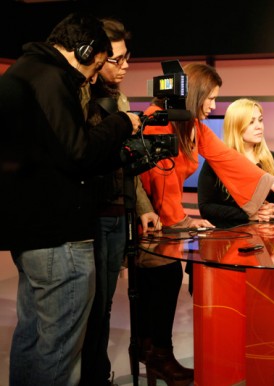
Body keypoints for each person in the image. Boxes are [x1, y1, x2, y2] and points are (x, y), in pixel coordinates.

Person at [0, 12, 141, 386]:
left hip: (32, 234)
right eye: (96, 66)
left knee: (31, 338)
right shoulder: (50, 78)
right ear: (82, 49)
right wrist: (123, 122)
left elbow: (55, 153)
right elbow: (77, 152)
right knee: (60, 351)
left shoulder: (21, 73)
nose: (92, 78)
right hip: (60, 237)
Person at [136, 63, 274, 386]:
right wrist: (183, 221)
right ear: (193, 94)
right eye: (210, 98)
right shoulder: (159, 122)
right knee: (161, 282)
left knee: (164, 281)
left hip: (166, 218)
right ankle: (155, 355)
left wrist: (270, 182)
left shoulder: (191, 124)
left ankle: (156, 354)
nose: (213, 106)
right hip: (147, 219)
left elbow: (224, 156)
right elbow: (157, 181)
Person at [80, 18, 162, 386]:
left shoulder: (122, 99)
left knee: (107, 303)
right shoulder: (79, 95)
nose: (124, 66)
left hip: (118, 213)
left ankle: (97, 371)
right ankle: (89, 373)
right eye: (116, 59)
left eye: (127, 58)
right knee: (89, 306)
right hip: (89, 214)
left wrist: (144, 208)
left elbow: (126, 162)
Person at [198, 98, 274, 228]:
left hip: (267, 239)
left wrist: (271, 213)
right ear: (235, 126)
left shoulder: (272, 158)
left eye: (260, 120)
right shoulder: (216, 161)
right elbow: (206, 208)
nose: (259, 126)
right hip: (229, 239)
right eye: (251, 122)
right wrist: (249, 215)